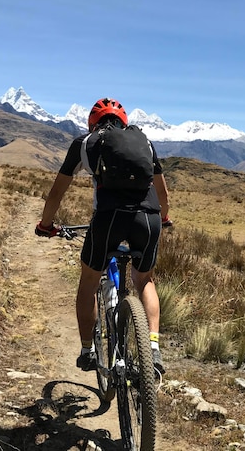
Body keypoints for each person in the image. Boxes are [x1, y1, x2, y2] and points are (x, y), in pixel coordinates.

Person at [35, 97, 172, 374]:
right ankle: (154, 348)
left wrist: (46, 224)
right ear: (124, 123)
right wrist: (165, 218)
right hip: (149, 218)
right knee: (144, 280)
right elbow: (162, 194)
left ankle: (88, 350)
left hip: (108, 219)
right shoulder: (144, 142)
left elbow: (57, 192)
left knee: (88, 281)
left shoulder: (85, 144)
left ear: (92, 124)